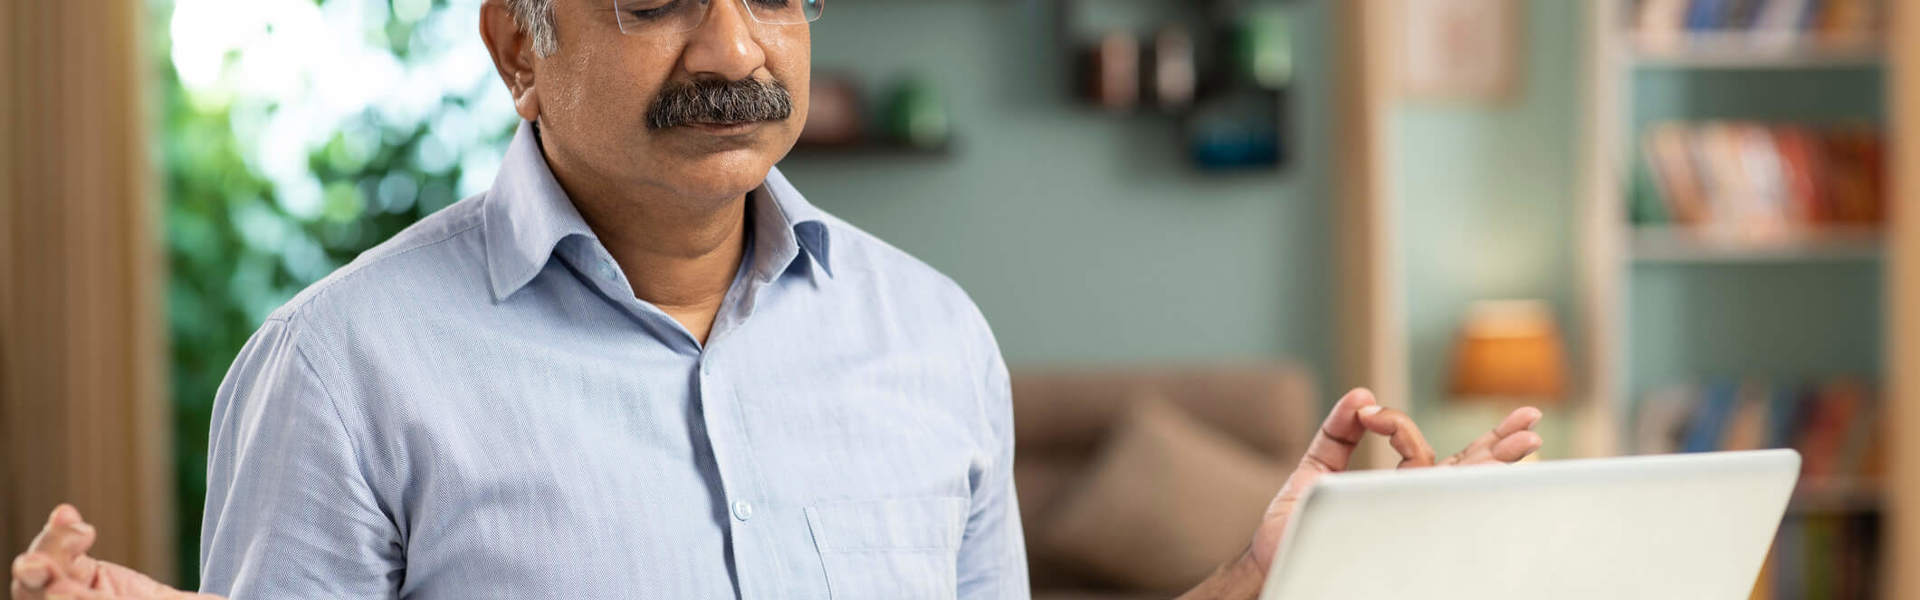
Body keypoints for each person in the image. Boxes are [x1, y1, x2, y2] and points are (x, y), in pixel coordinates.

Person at [11, 0, 1544, 597]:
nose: (737, 49)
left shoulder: (931, 335)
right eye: (658, 2)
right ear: (517, 46)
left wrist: (1266, 581)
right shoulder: (338, 371)